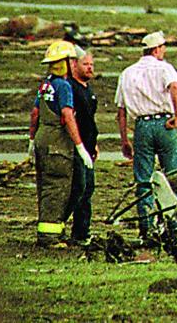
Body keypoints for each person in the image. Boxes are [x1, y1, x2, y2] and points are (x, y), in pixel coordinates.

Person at [115, 31, 177, 242]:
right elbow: (175, 86)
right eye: (163, 48)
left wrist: (125, 140)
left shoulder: (127, 73)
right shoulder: (164, 68)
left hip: (142, 126)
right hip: (164, 124)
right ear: (156, 50)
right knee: (173, 174)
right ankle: (175, 225)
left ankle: (147, 227)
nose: (164, 51)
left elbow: (121, 111)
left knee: (143, 178)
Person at [28, 40, 94, 246]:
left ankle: (54, 231)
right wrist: (80, 146)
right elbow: (67, 116)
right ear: (64, 63)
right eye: (71, 61)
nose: (74, 64)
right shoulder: (64, 86)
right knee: (57, 187)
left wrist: (32, 140)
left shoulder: (46, 84)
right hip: (57, 142)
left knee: (47, 186)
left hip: (42, 138)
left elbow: (35, 113)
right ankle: (49, 237)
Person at [67, 47, 98, 245]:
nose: (90, 68)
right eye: (85, 64)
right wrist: (79, 146)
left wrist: (95, 144)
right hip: (76, 148)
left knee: (88, 189)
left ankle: (82, 231)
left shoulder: (88, 90)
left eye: (91, 64)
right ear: (74, 65)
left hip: (88, 147)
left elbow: (89, 121)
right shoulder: (71, 88)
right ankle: (77, 232)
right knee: (80, 189)